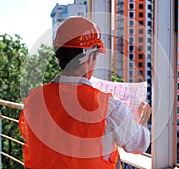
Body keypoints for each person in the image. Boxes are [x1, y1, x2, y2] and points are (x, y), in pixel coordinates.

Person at [19, 16, 151, 169]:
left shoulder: (34, 100)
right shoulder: (108, 106)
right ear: (90, 57)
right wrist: (143, 121)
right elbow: (139, 144)